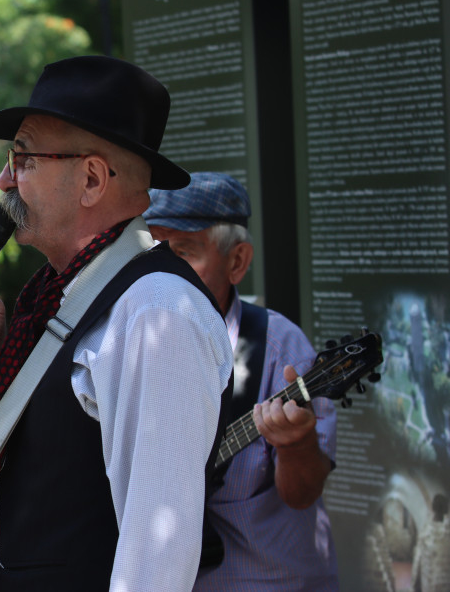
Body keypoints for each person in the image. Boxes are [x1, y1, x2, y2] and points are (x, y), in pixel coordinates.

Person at [0, 56, 233, 591]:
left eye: (23, 157)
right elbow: (26, 478)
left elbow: (157, 556)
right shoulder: (58, 294)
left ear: (91, 178)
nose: (4, 179)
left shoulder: (155, 312)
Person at [143, 172, 339, 591]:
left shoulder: (281, 350)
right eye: (154, 253)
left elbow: (302, 495)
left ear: (237, 262)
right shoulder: (132, 341)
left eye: (184, 251)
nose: (162, 273)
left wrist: (296, 444)